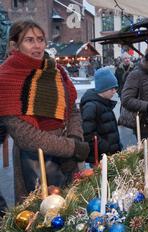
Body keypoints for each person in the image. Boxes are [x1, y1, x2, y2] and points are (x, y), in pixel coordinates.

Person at [0, 20, 90, 203]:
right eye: (29, 40)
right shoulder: (6, 78)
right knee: (42, 218)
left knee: (74, 211)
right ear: (15, 45)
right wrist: (71, 147)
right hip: (35, 162)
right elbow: (26, 136)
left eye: (40, 39)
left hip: (68, 159)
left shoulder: (56, 70)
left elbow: (72, 109)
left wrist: (75, 137)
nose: (37, 45)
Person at [80, 67, 121, 166]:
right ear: (103, 88)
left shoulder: (105, 103)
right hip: (100, 158)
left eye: (115, 88)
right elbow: (88, 134)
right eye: (112, 88)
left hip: (109, 155)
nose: (114, 91)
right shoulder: (91, 106)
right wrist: (106, 147)